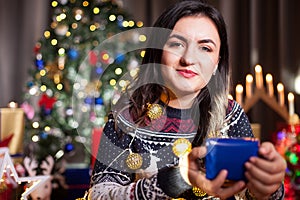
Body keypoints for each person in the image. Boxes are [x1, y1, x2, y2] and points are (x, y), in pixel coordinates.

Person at [88, 0, 286, 199]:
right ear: (158, 53)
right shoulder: (125, 117)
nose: (188, 58)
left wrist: (266, 188)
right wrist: (176, 179)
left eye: (205, 48)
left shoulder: (230, 115)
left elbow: (249, 191)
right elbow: (99, 195)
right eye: (177, 44)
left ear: (217, 62)